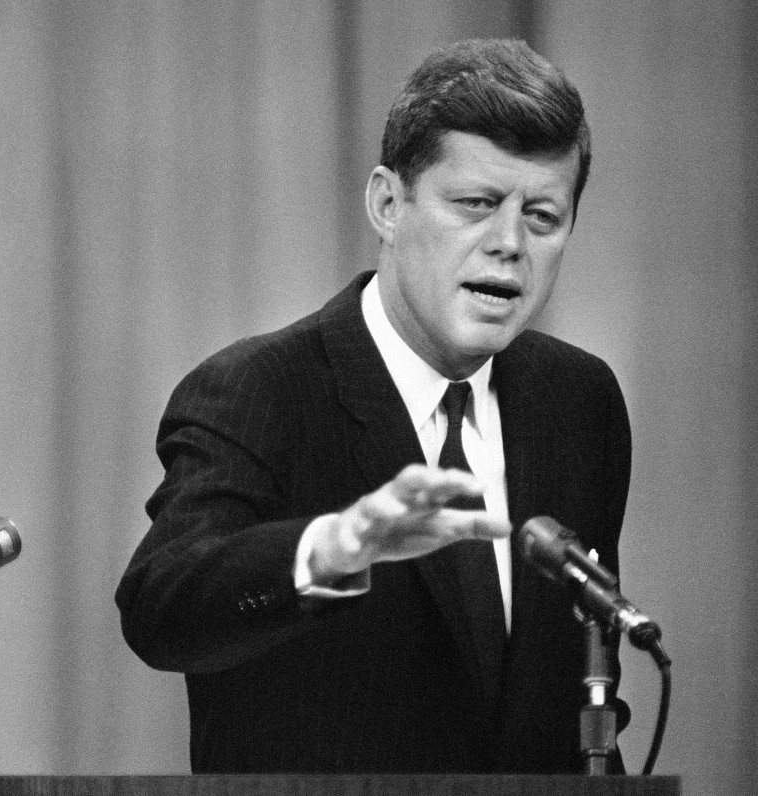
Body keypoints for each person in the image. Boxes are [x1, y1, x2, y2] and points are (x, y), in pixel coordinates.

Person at [116, 38, 632, 774]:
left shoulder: (579, 402)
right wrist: (332, 547)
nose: (509, 243)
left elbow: (582, 689)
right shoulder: (258, 389)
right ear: (388, 204)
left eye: (543, 216)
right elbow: (161, 608)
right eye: (477, 204)